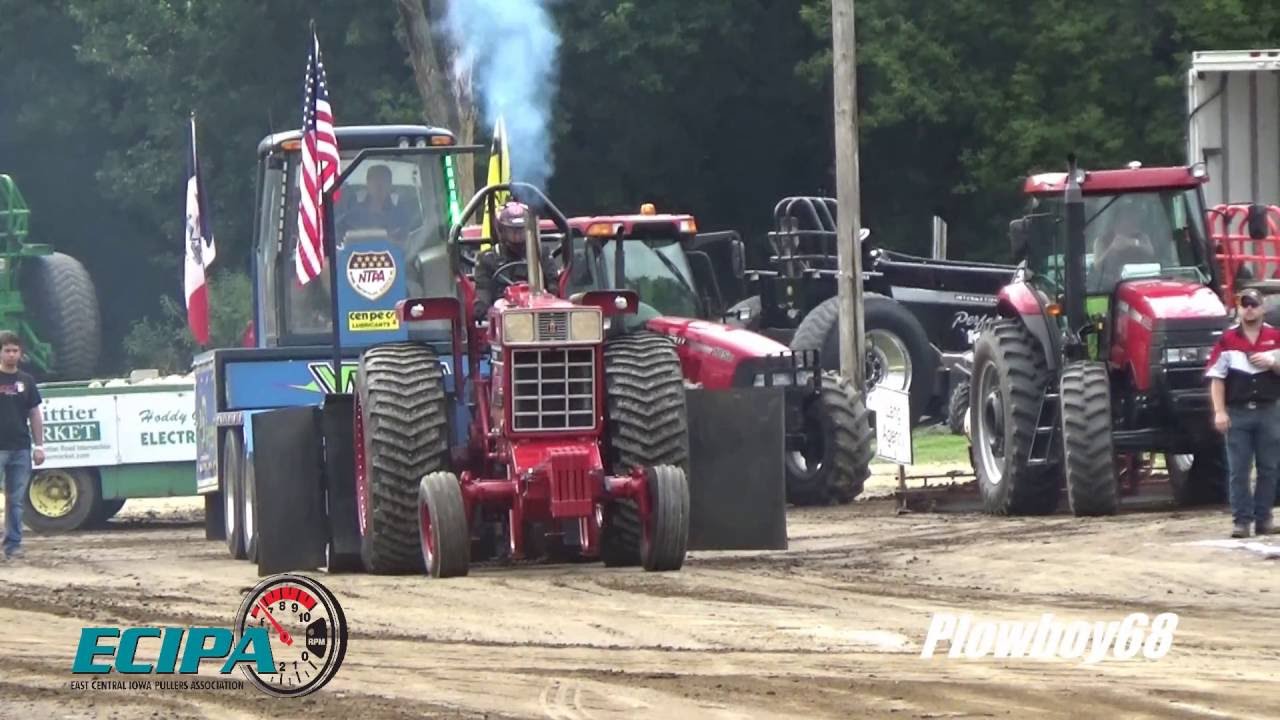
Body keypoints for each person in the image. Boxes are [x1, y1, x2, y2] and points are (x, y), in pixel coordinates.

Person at [1204, 287, 1280, 538]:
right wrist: (1219, 411)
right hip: (1238, 413)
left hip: (1269, 411)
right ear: (1238, 308)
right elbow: (1217, 378)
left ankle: (1264, 519)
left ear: (1262, 308)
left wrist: (1273, 362)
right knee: (1238, 470)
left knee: (1269, 468)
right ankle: (1241, 521)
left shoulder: (1275, 336)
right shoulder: (1227, 340)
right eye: (1244, 304)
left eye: (1253, 304)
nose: (1249, 309)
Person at [472, 201, 559, 319]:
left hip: (540, 311)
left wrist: (547, 295)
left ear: (528, 229)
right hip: (502, 315)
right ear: (502, 231)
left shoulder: (540, 253)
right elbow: (483, 291)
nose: (517, 236)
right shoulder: (487, 258)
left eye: (521, 231)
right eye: (512, 231)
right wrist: (483, 308)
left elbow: (553, 285)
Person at [0, 331, 44, 560]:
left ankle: (13, 545)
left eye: (15, 350)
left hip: (20, 448)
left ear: (21, 353)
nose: (11, 354)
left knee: (16, 500)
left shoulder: (27, 381)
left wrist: (40, 446)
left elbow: (34, 413)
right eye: (7, 350)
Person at [339, 164, 412, 243]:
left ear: (390, 185)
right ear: (367, 183)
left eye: (384, 181)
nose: (379, 186)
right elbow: (339, 235)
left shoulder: (400, 212)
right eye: (375, 181)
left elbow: (407, 240)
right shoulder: (351, 208)